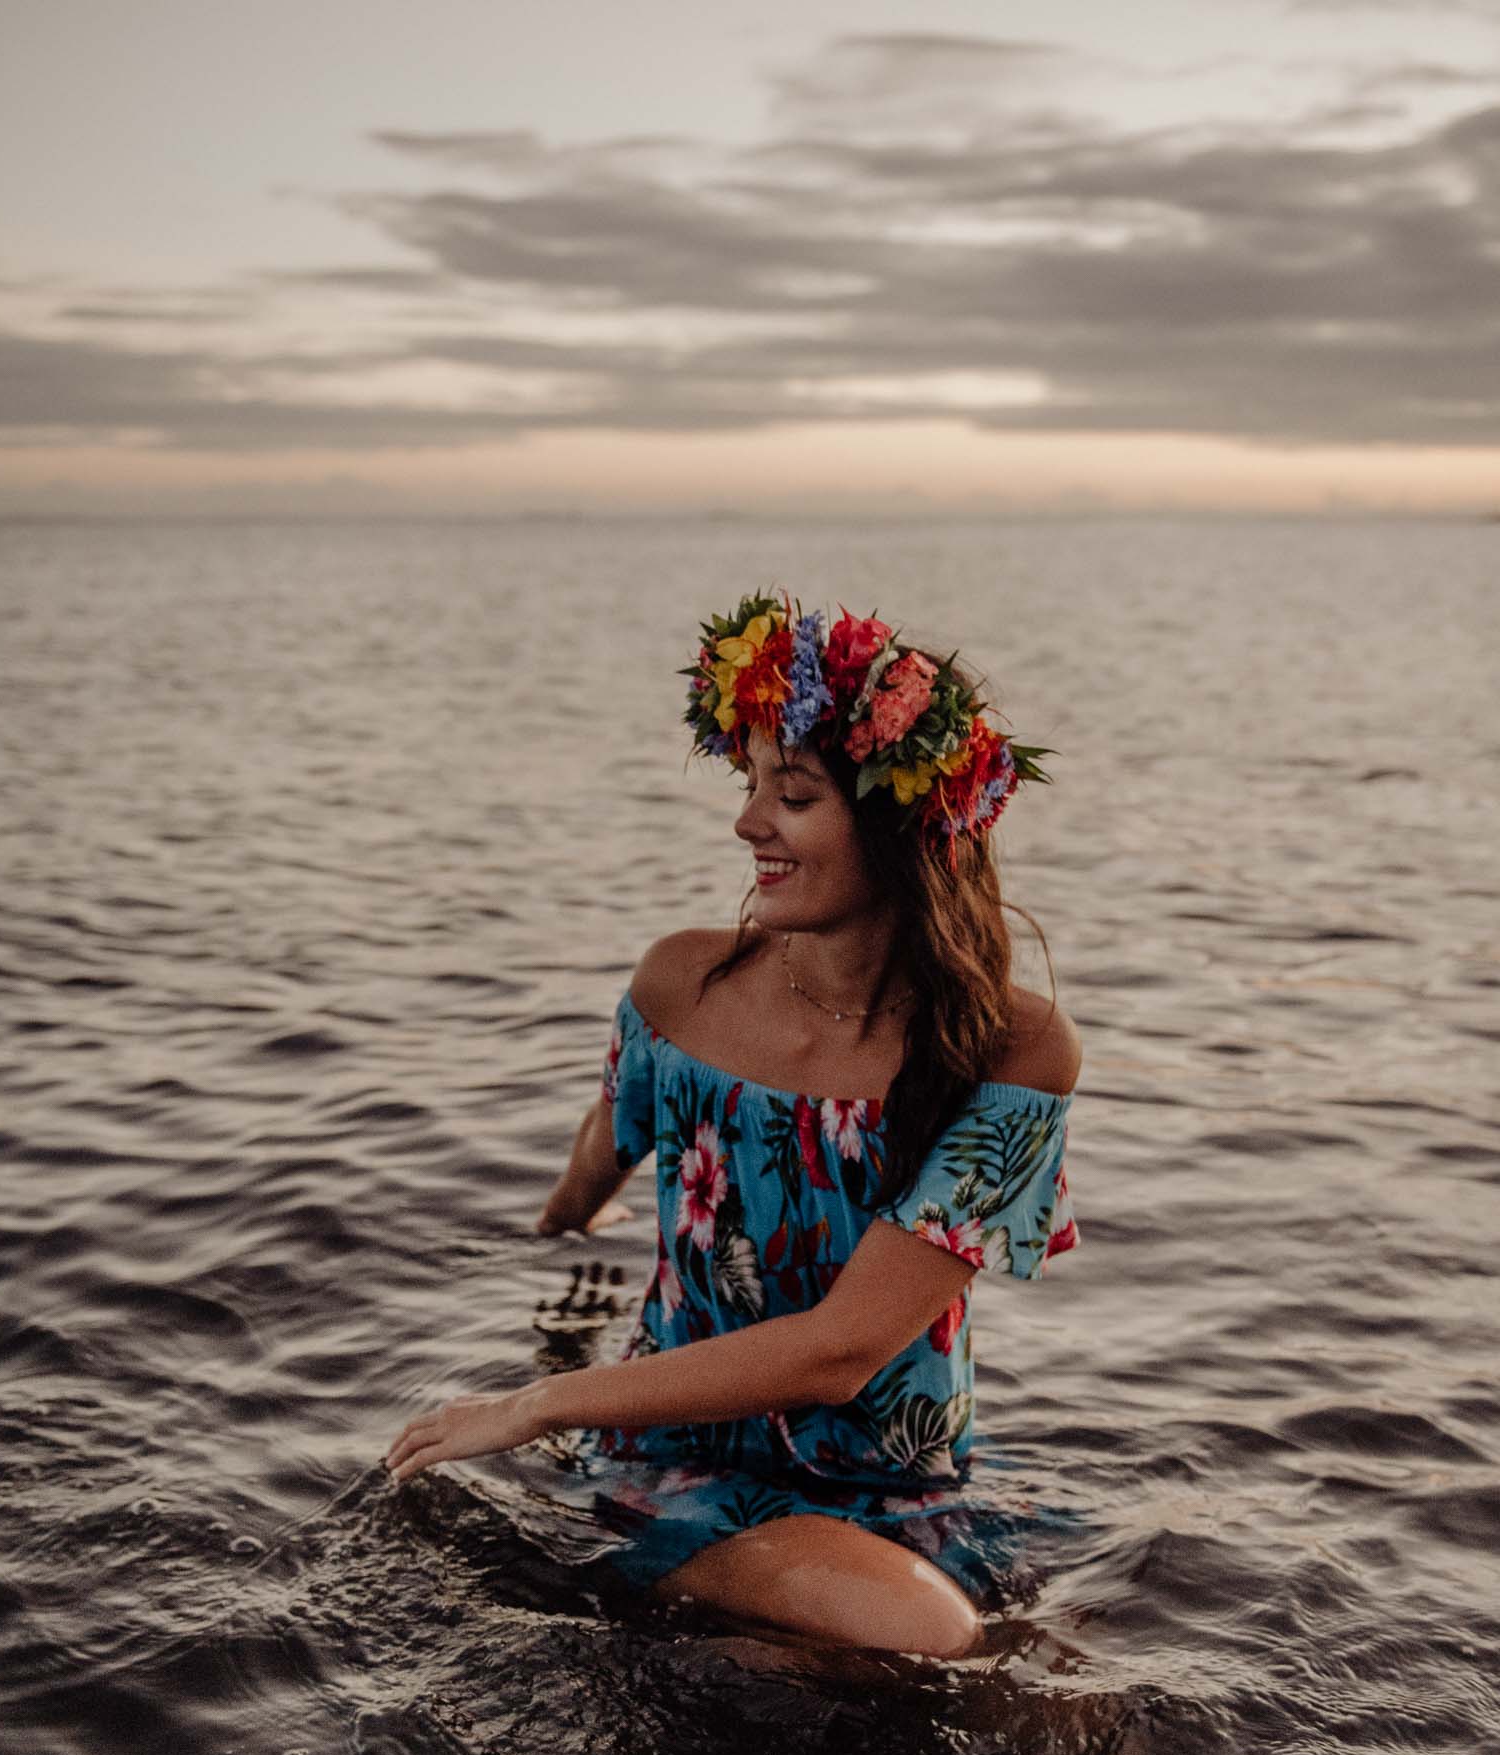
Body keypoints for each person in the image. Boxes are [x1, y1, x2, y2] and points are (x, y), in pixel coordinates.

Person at [386, 590, 1081, 1661]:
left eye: (791, 794)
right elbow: (601, 1152)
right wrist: (557, 1248)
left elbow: (842, 1352)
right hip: (679, 1467)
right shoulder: (682, 986)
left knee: (1002, 1678)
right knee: (934, 1647)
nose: (747, 821)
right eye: (750, 783)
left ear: (900, 825)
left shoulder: (1011, 1050)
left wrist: (535, 1402)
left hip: (901, 1490)